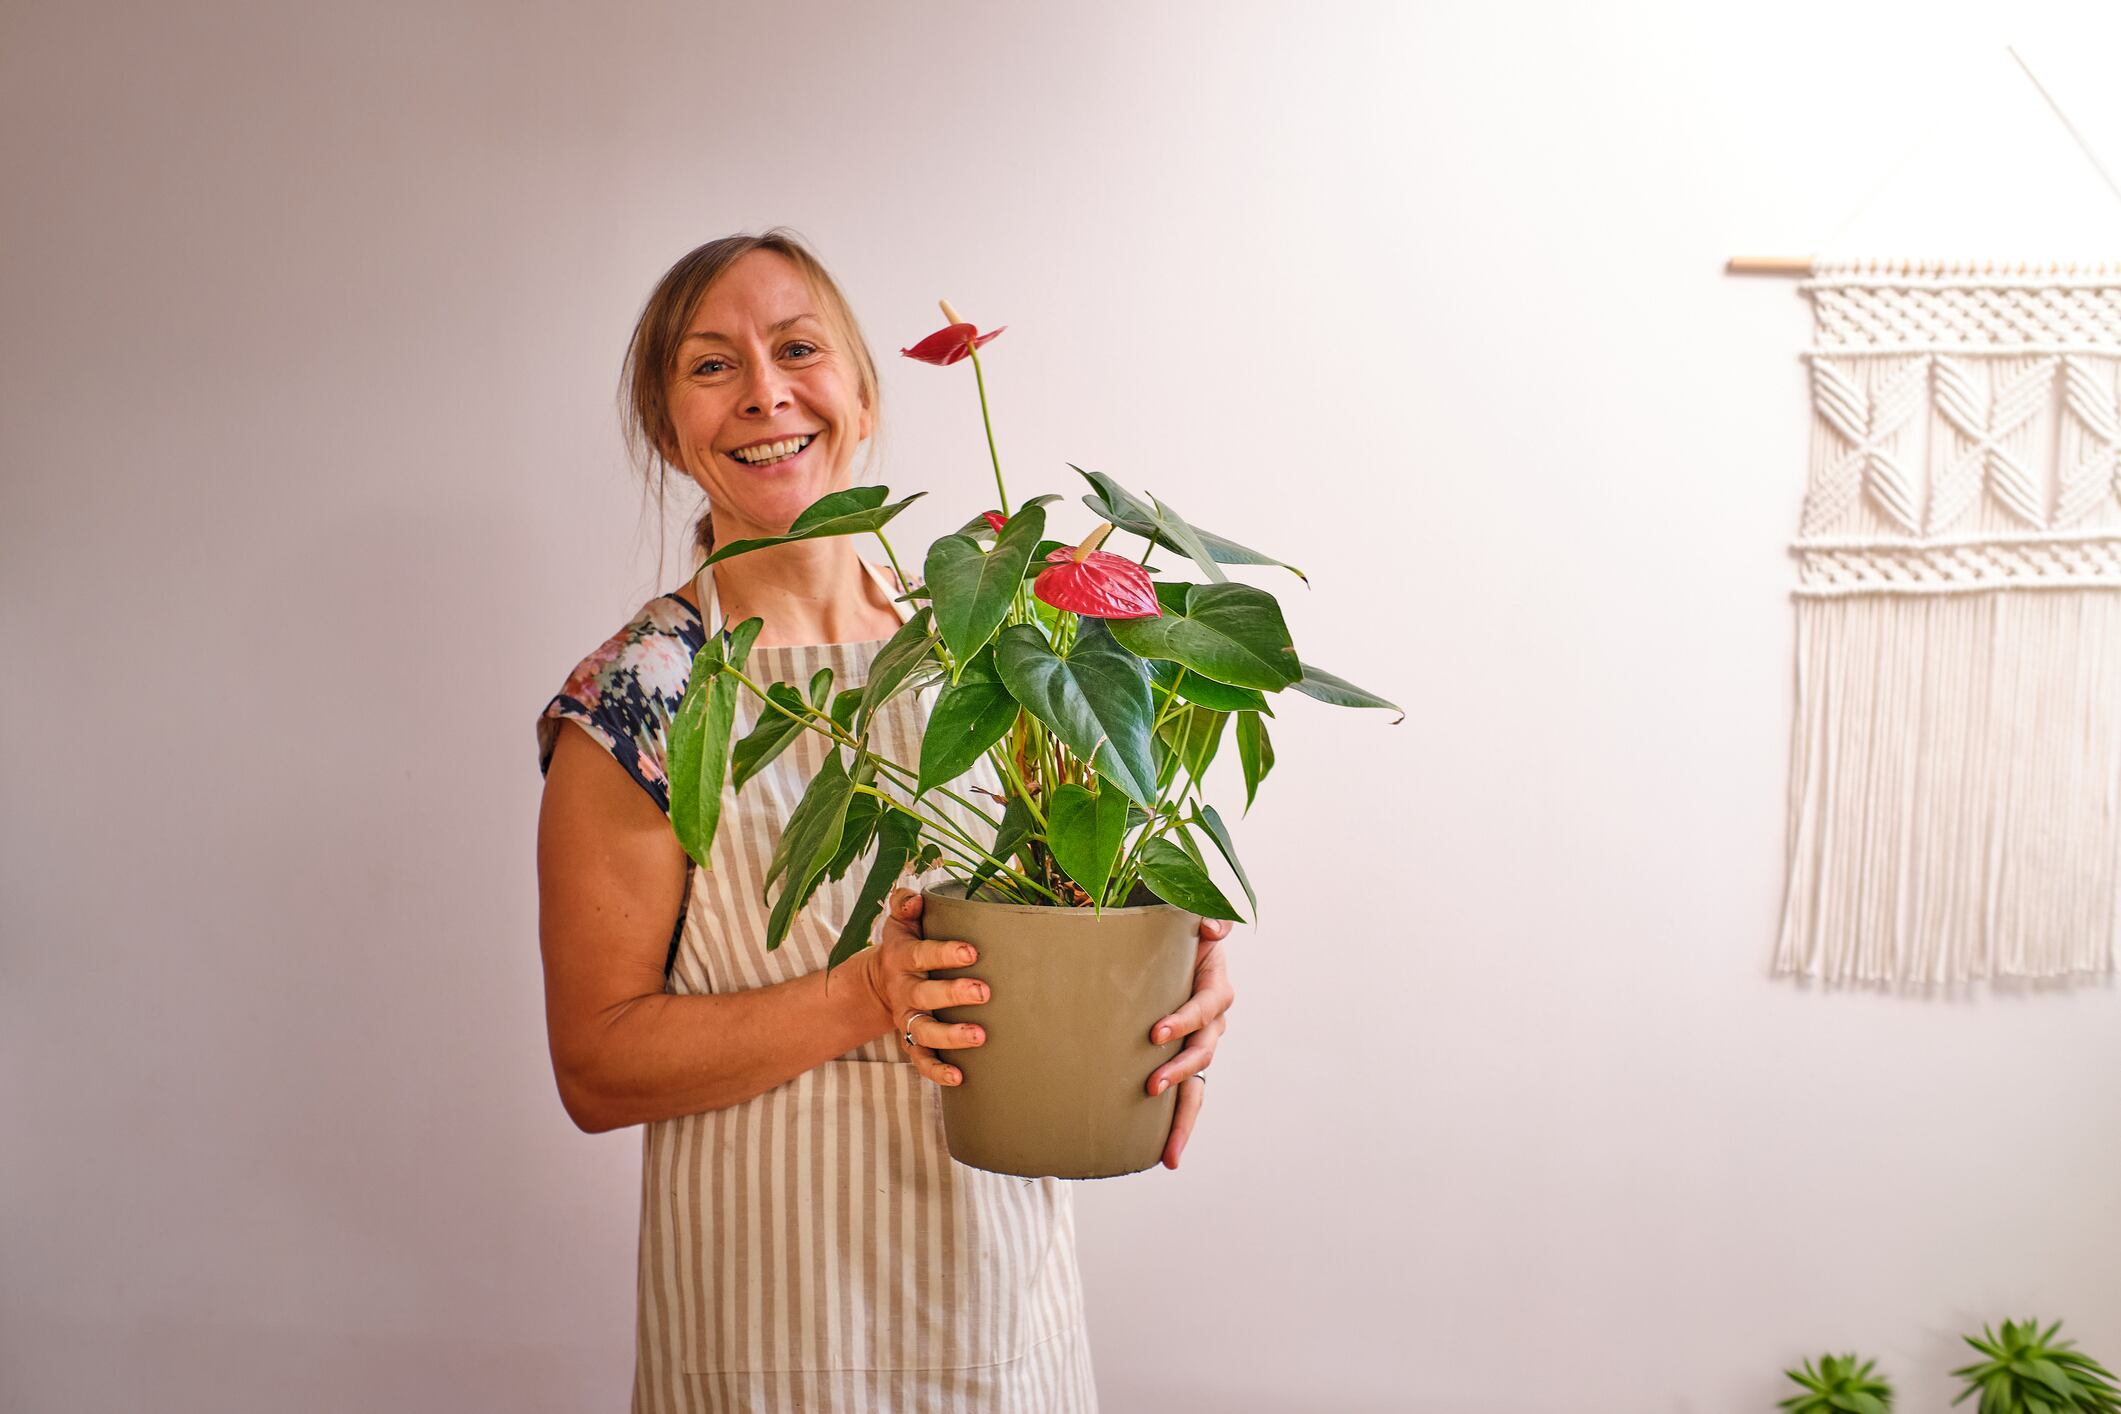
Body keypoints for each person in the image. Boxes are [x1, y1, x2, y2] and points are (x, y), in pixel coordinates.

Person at [533, 228, 1237, 1412]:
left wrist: (1165, 980)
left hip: (997, 1315)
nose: (765, 392)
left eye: (797, 349)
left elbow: (1076, 894)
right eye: (712, 365)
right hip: (766, 1326)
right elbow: (595, 1064)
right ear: (666, 426)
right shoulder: (642, 694)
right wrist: (866, 994)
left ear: (862, 394)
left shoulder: (995, 648)